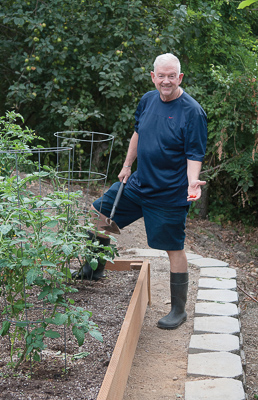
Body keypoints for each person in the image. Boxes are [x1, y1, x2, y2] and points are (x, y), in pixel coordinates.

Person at [81, 53, 207, 330]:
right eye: (160, 75)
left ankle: (178, 309)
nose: (165, 81)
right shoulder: (147, 100)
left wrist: (192, 182)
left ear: (180, 78)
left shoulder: (192, 112)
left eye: (171, 76)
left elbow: (194, 154)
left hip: (169, 194)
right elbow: (138, 133)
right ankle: (96, 268)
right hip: (138, 184)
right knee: (100, 213)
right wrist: (127, 166)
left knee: (173, 248)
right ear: (153, 76)